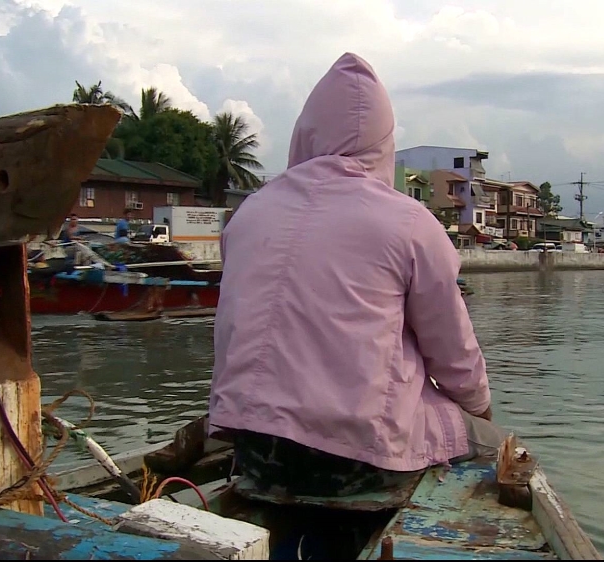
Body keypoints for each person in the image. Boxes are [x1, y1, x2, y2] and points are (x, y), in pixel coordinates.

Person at [208, 53, 507, 498]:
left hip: (253, 449)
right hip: (359, 459)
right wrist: (478, 410)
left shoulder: (249, 214)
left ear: (305, 133)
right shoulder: (409, 223)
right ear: (383, 144)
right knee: (499, 447)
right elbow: (453, 352)